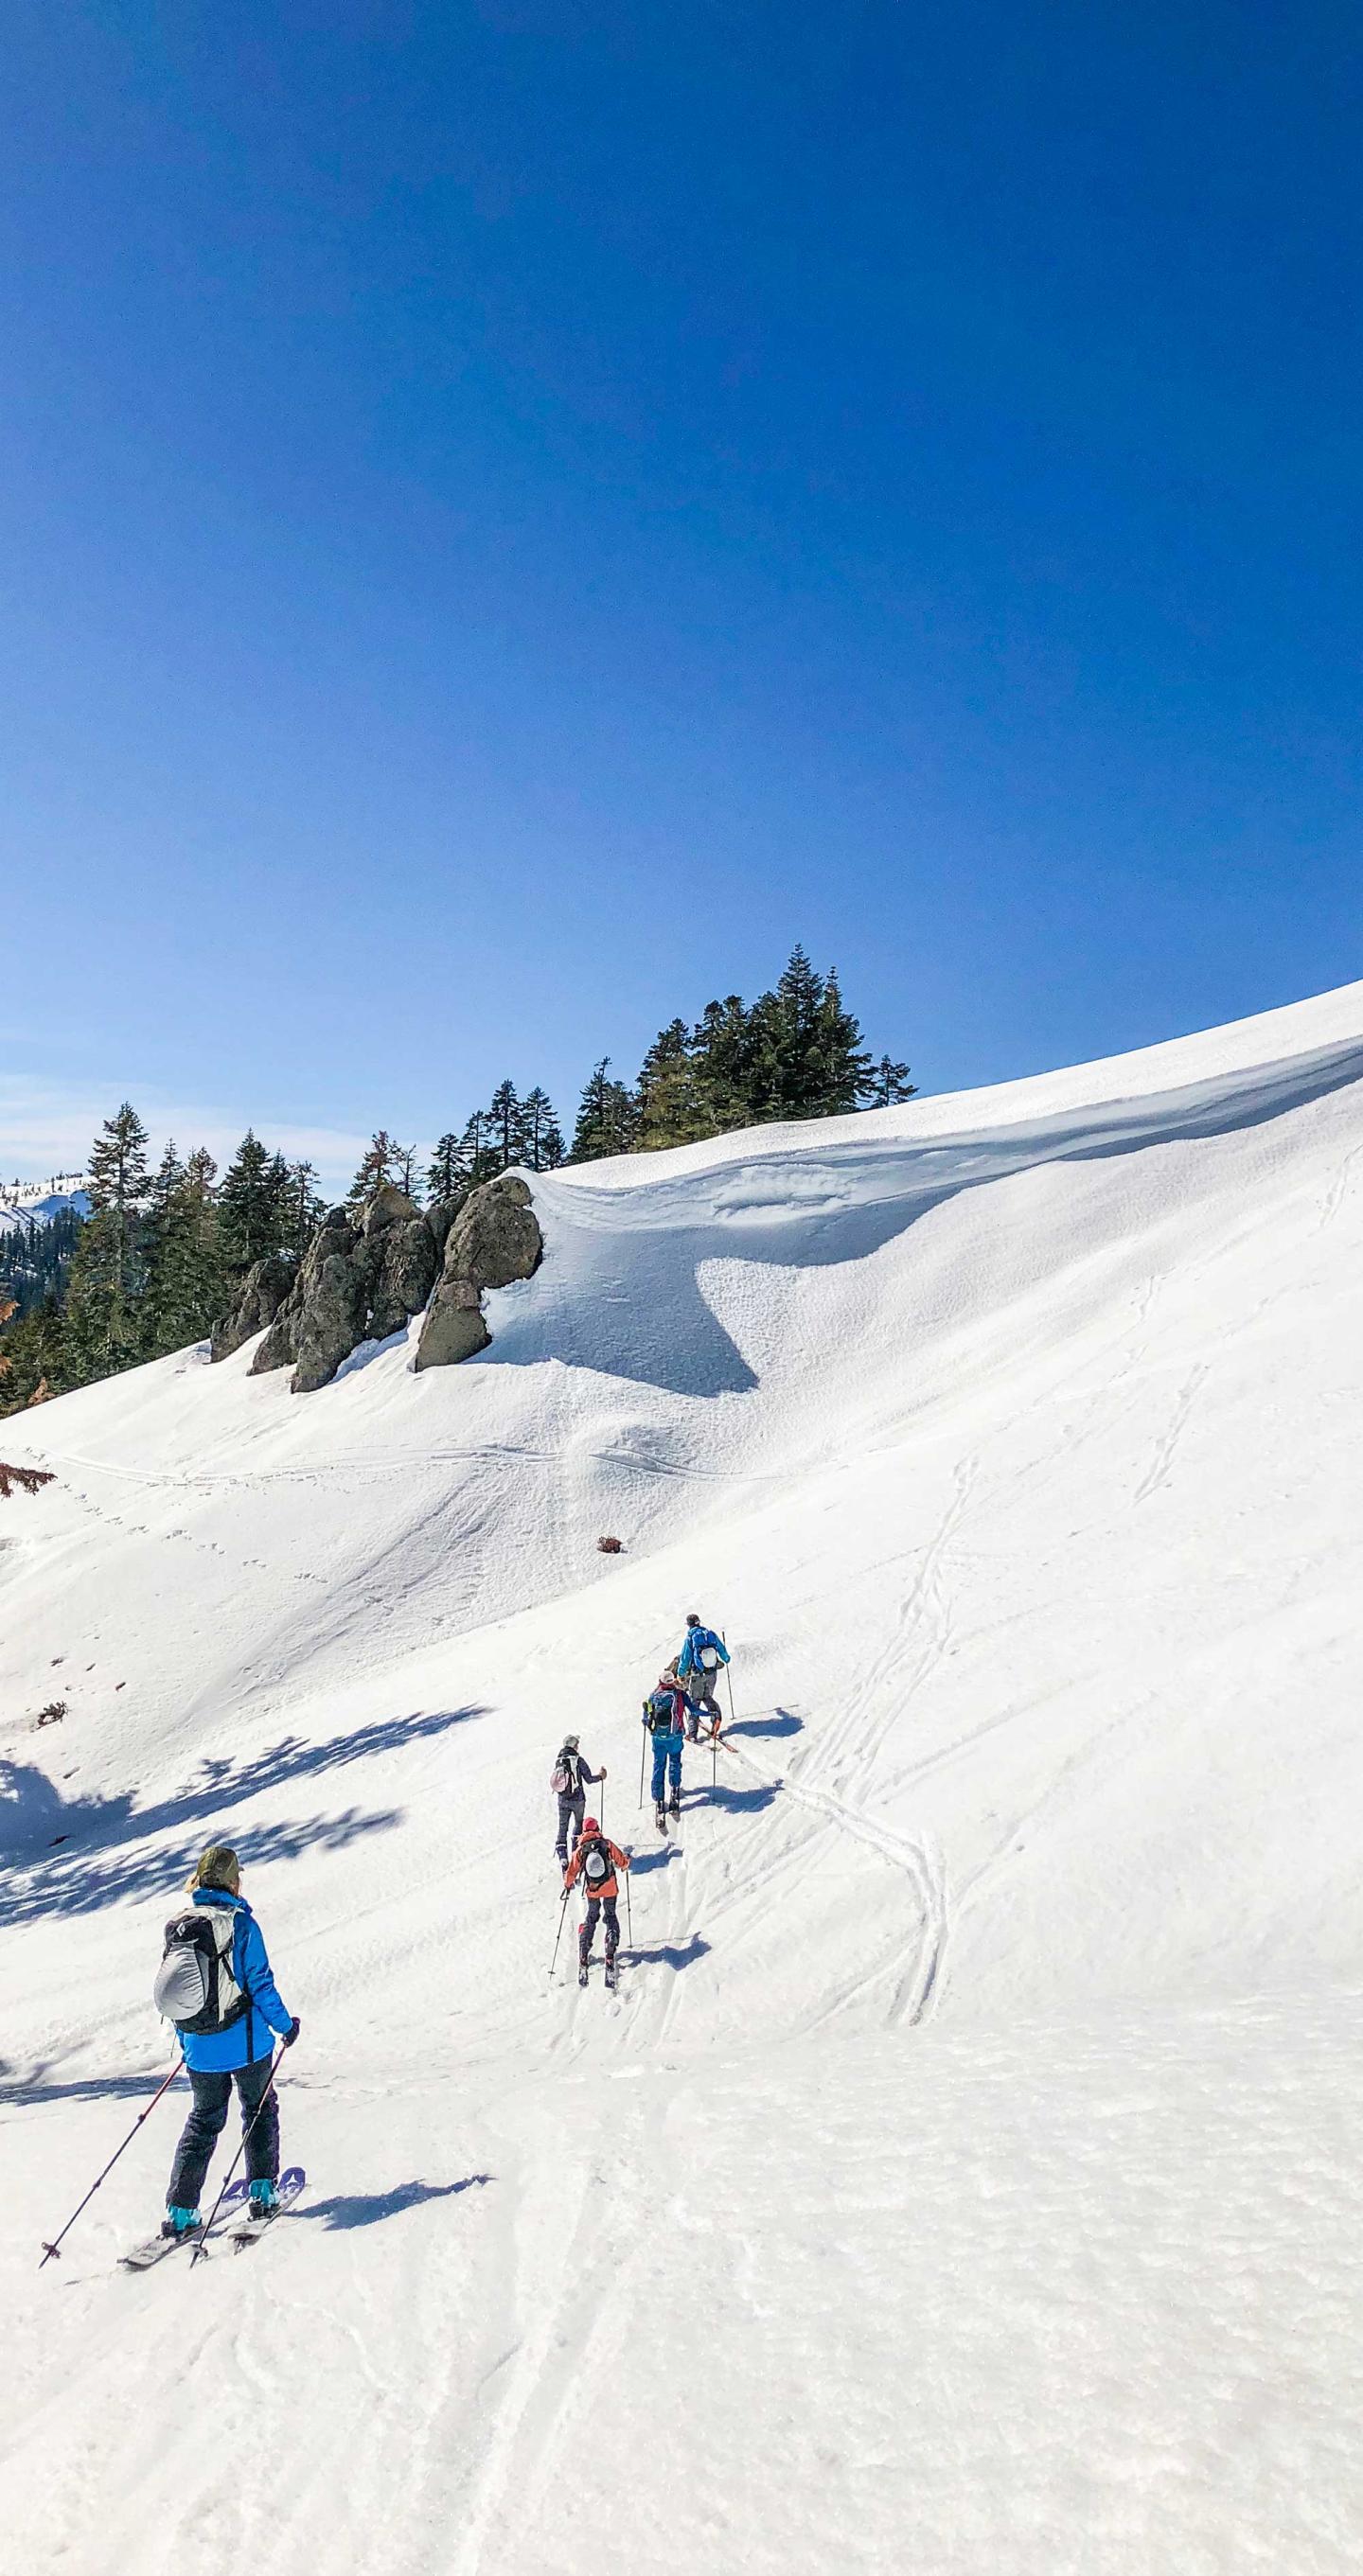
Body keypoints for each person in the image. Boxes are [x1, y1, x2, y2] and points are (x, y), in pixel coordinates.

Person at [161, 1844, 299, 2241]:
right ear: (234, 1881)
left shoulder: (179, 1926)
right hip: (248, 2044)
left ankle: (181, 2211)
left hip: (200, 2048)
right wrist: (285, 2026)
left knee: (203, 2121)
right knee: (258, 2110)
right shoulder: (241, 1925)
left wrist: (188, 2040)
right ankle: (262, 2192)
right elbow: (260, 1984)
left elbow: (180, 1995)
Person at [564, 1816, 631, 1985]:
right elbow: (622, 1861)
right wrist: (626, 1863)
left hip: (592, 1890)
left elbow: (572, 1870)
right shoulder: (606, 1843)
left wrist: (567, 1884)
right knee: (610, 1916)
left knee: (591, 1918)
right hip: (610, 1887)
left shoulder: (581, 1849)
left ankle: (584, 1951)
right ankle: (610, 1949)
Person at [552, 1734, 608, 1874]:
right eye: (577, 1745)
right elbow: (588, 1779)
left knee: (562, 1828)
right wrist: (601, 1777)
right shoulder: (577, 1760)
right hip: (578, 1800)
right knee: (578, 1826)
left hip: (562, 1799)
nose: (578, 1747)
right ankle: (575, 1857)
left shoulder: (558, 1761)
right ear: (574, 1746)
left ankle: (563, 1858)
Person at [643, 1673, 688, 1825]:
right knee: (675, 1762)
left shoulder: (653, 1696)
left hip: (658, 1739)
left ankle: (659, 1800)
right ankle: (674, 1790)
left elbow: (645, 1719)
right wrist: (710, 1714)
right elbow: (694, 1710)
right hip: (674, 1736)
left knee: (658, 1766)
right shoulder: (678, 1694)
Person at [678, 1614, 731, 1738]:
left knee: (694, 1702)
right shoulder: (710, 1634)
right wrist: (726, 1658)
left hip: (698, 1674)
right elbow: (721, 1649)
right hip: (712, 1672)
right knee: (707, 1697)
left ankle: (692, 1733)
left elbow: (685, 1658)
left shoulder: (690, 1638)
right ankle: (716, 1717)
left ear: (689, 1625)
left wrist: (680, 1673)